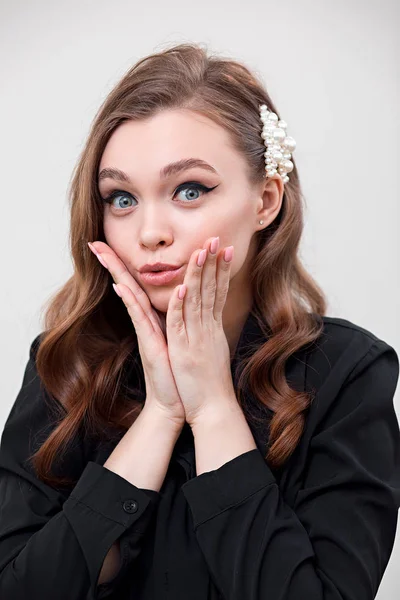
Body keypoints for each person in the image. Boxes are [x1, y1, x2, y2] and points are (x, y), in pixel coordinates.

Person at [0, 42, 399, 600]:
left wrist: (212, 407)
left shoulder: (348, 373)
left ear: (266, 201)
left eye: (189, 190)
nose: (149, 232)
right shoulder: (65, 363)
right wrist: (161, 415)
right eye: (121, 198)